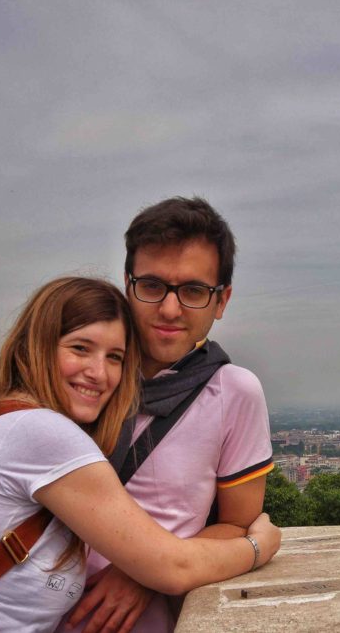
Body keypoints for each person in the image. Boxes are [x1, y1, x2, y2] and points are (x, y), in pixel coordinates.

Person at [0, 277, 281, 632]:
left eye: (115, 357)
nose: (99, 373)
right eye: (80, 348)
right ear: (36, 347)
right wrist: (258, 545)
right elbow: (173, 567)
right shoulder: (41, 433)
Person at [63, 198, 274, 633]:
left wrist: (146, 571)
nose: (170, 310)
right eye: (153, 286)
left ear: (222, 300)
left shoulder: (233, 392)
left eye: (194, 291)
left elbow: (237, 522)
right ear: (128, 284)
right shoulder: (85, 376)